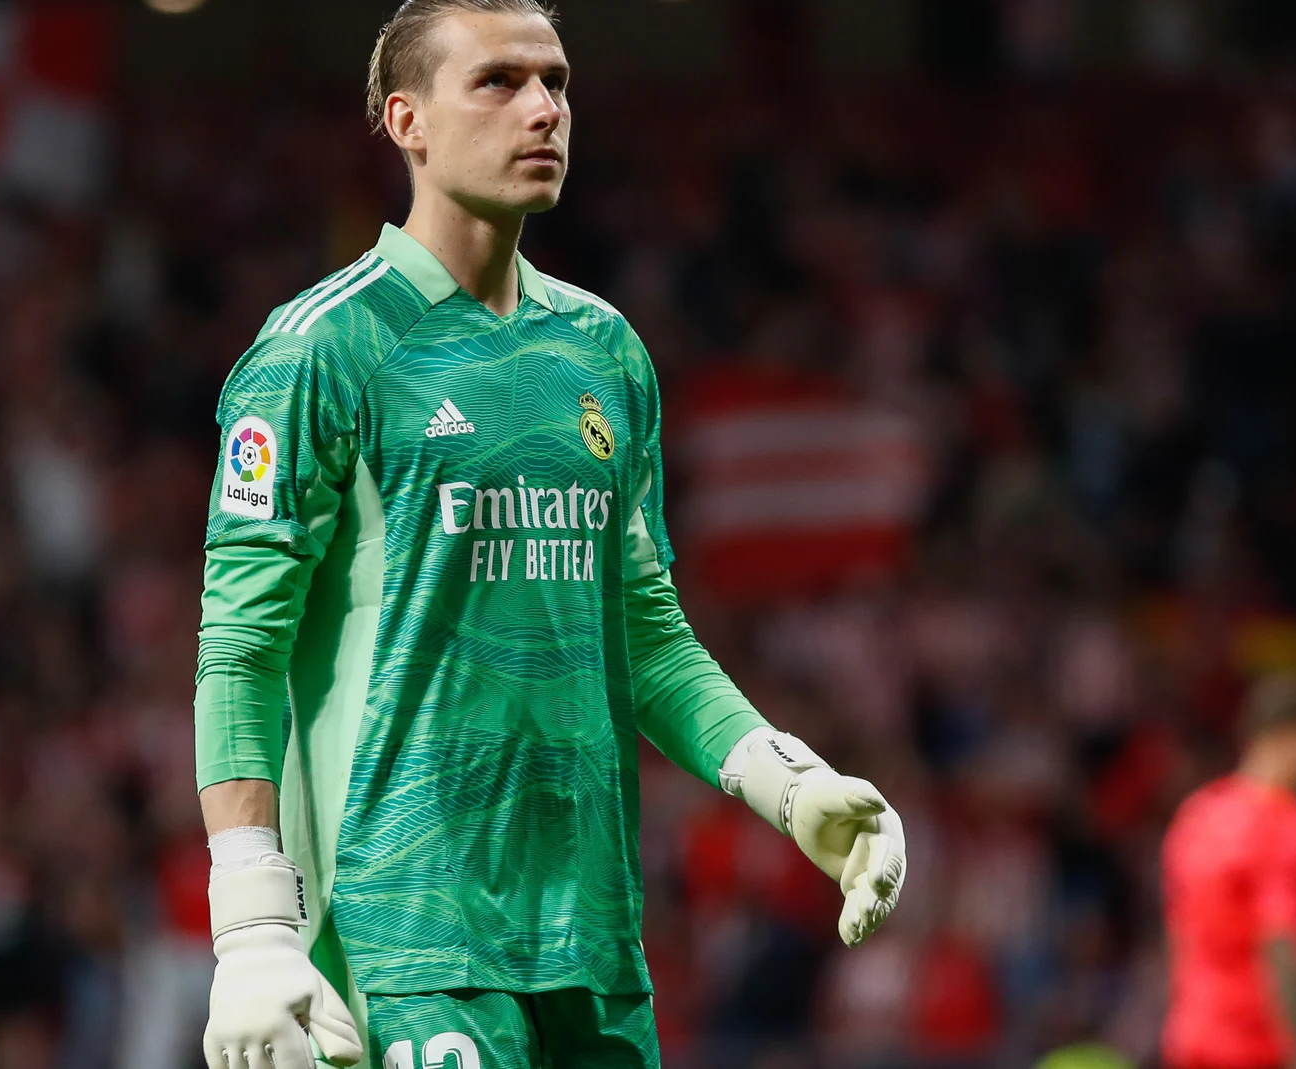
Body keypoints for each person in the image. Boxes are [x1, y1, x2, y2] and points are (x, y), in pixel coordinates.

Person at [191, 2, 909, 1067]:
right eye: (498, 82)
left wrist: (785, 782)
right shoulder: (320, 351)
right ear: (407, 121)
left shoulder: (604, 352)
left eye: (556, 82)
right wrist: (251, 926)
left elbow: (648, 638)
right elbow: (239, 649)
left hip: (592, 939)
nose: (542, 109)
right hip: (406, 930)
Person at [1161, 673, 1296, 1069]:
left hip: (1191, 1044)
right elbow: (1283, 945)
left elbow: (1177, 939)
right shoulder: (1288, 826)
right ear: (1286, 734)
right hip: (1256, 1052)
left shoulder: (1196, 815)